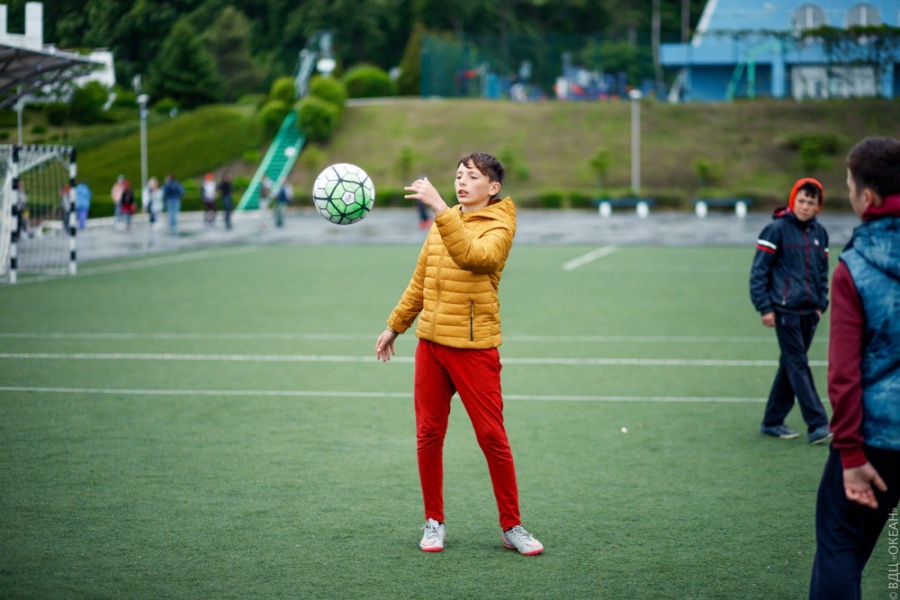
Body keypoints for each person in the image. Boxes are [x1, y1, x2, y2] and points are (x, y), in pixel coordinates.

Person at [374, 152, 543, 556]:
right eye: (458, 175)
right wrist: (396, 325)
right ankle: (434, 522)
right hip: (431, 346)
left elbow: (475, 258)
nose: (461, 182)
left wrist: (440, 209)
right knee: (428, 434)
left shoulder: (500, 223)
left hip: (474, 348)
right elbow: (421, 281)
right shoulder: (445, 221)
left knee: (492, 437)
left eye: (472, 176)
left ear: (493, 188)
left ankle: (512, 526)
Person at [809, 136, 900, 599]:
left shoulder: (855, 265)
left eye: (848, 187)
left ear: (867, 197)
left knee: (839, 548)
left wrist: (850, 455)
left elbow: (843, 374)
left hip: (876, 439)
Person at [750, 177, 832, 444]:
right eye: (801, 200)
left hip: (811, 313)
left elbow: (822, 273)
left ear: (818, 206)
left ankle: (772, 421)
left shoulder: (821, 233)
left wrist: (821, 305)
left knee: (790, 365)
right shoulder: (776, 230)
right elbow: (759, 272)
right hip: (785, 310)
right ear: (792, 200)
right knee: (798, 365)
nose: (805, 206)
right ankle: (818, 424)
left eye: (811, 202)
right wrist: (764, 307)